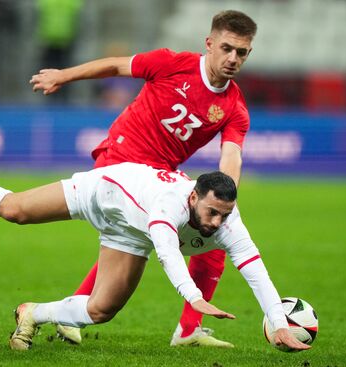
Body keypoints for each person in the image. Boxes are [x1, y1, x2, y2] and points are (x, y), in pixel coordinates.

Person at [0, 163, 311, 353]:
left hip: (128, 230)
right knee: (15, 210)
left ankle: (32, 313)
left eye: (224, 215)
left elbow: (256, 271)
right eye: (211, 212)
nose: (217, 223)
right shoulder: (170, 203)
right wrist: (193, 295)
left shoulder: (229, 222)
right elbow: (166, 248)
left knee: (101, 309)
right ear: (194, 196)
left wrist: (277, 324)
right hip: (102, 191)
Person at [28, 9, 255, 347]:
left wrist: (224, 204)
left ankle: (187, 330)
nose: (233, 58)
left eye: (242, 52)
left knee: (210, 234)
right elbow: (116, 65)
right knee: (146, 236)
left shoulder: (234, 107)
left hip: (159, 175)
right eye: (227, 48)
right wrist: (63, 76)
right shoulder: (172, 63)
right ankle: (71, 313)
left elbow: (231, 155)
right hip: (121, 161)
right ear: (209, 44)